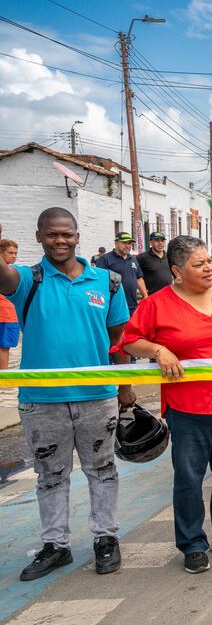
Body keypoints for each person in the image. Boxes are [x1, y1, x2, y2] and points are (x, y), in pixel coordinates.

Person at [0, 210, 135, 581]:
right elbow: (3, 276)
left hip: (97, 397)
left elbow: (119, 341)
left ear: (77, 236)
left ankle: (106, 538)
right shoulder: (30, 279)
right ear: (39, 236)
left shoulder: (107, 281)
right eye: (51, 235)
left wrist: (124, 386)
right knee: (50, 475)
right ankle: (55, 545)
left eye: (66, 235)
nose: (60, 241)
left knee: (102, 469)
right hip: (42, 401)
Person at [119, 235, 212, 573]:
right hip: (189, 408)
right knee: (189, 477)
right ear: (177, 272)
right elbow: (130, 340)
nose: (209, 269)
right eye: (198, 265)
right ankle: (192, 543)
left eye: (209, 262)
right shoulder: (158, 304)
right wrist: (158, 350)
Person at [97, 232, 147, 313]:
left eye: (129, 243)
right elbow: (99, 281)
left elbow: (139, 279)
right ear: (116, 243)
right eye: (124, 243)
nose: (128, 246)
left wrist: (145, 296)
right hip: (114, 307)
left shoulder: (133, 259)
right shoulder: (105, 259)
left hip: (132, 306)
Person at [138, 231, 173, 296]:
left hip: (168, 295)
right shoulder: (142, 257)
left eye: (162, 241)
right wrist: (143, 291)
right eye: (157, 240)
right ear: (150, 242)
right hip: (152, 296)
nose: (160, 243)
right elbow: (133, 274)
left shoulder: (169, 256)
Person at [0, 238, 17, 370]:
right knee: (4, 348)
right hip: (6, 315)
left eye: (15, 253)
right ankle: (3, 379)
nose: (14, 256)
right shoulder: (6, 271)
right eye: (10, 252)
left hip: (8, 314)